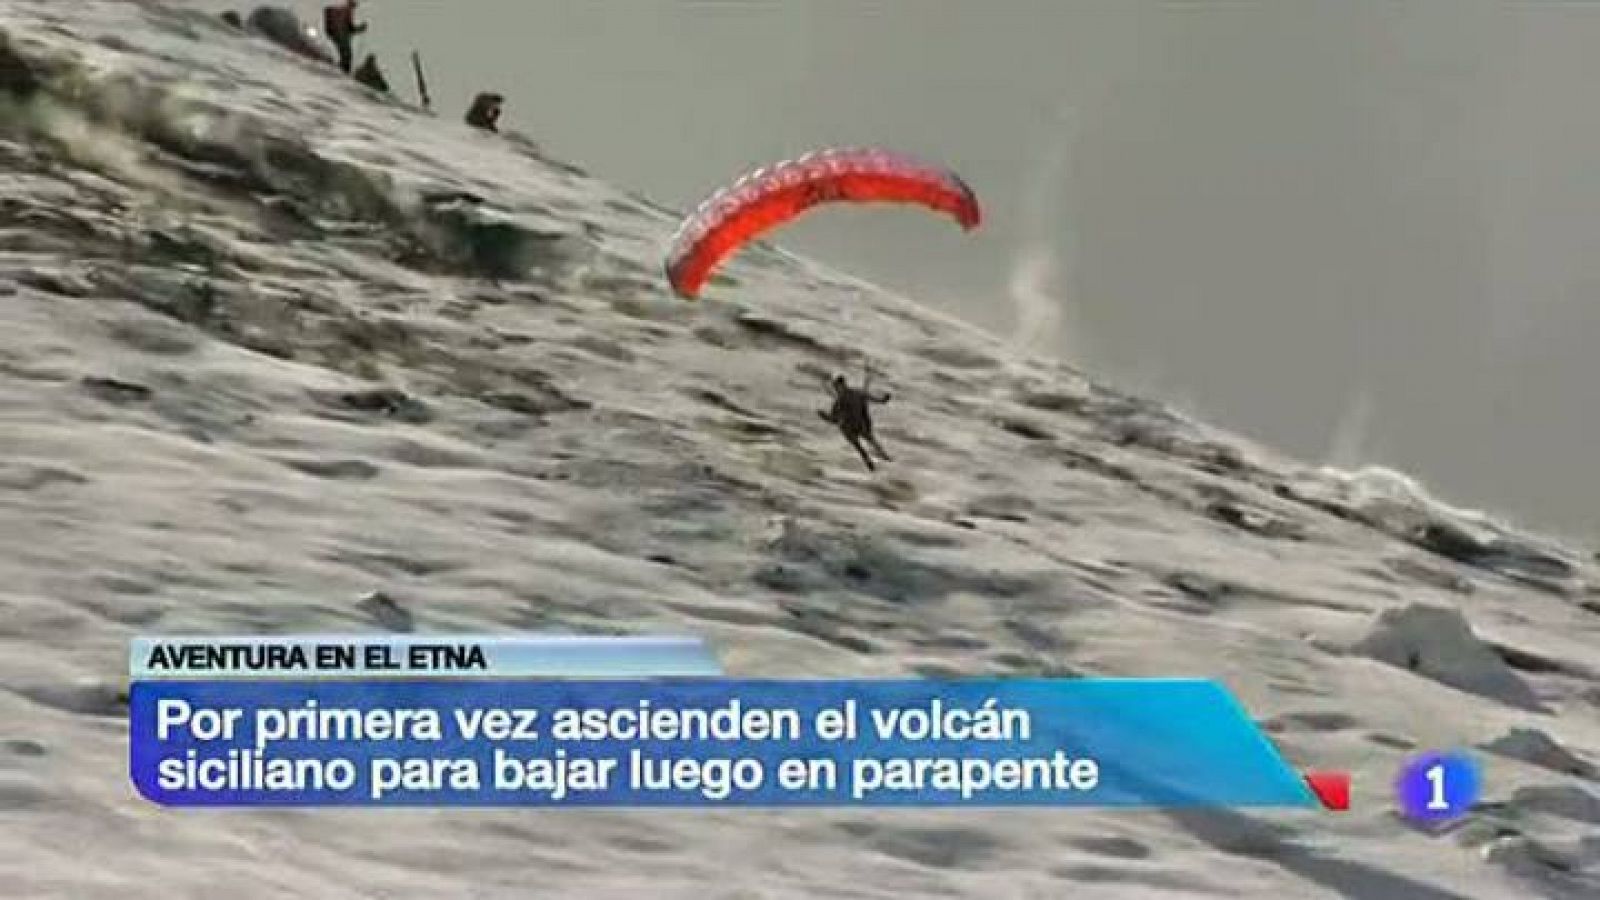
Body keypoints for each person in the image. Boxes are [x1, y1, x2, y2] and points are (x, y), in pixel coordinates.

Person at [818, 373, 892, 471]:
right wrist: (824, 416)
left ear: (843, 385)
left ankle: (887, 460)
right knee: (860, 447)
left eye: (837, 387)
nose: (837, 390)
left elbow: (876, 400)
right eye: (836, 388)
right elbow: (833, 419)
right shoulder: (839, 402)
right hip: (850, 427)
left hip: (860, 424)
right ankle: (871, 465)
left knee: (871, 442)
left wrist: (884, 399)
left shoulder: (855, 394)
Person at [322, 0, 367, 74]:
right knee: (347, 54)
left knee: (346, 54)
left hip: (338, 33)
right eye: (354, 4)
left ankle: (343, 69)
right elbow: (349, 27)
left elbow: (350, 28)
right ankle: (343, 71)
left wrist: (360, 29)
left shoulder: (347, 11)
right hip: (339, 34)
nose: (354, 7)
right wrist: (360, 29)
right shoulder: (344, 10)